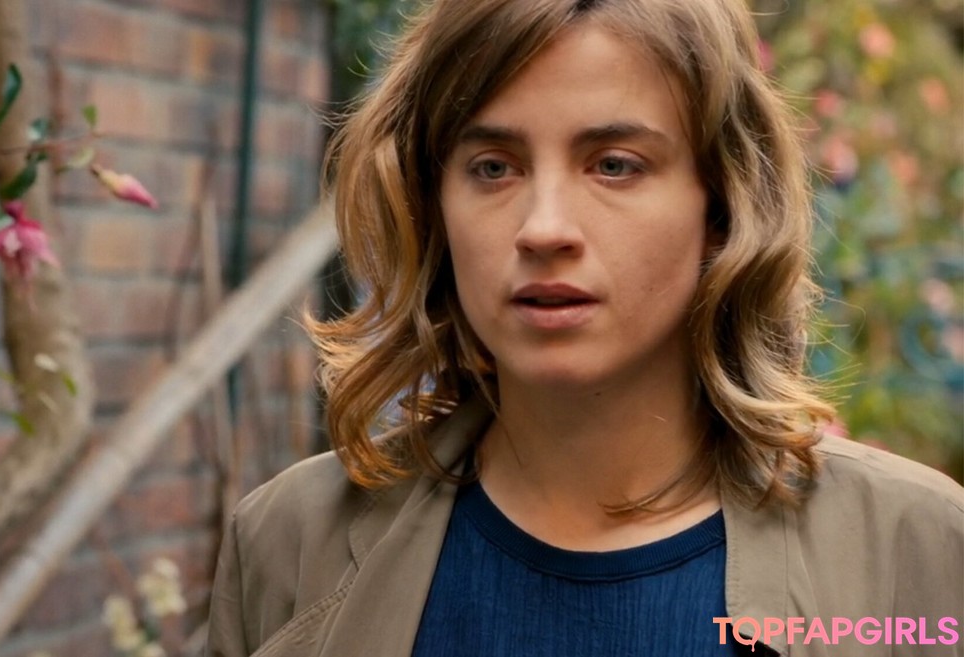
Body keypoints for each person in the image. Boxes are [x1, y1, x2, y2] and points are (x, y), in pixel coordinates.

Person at [206, 0, 964, 655]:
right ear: (432, 207)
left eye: (614, 165)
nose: (544, 228)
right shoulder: (287, 543)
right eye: (493, 167)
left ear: (721, 206)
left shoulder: (918, 551)